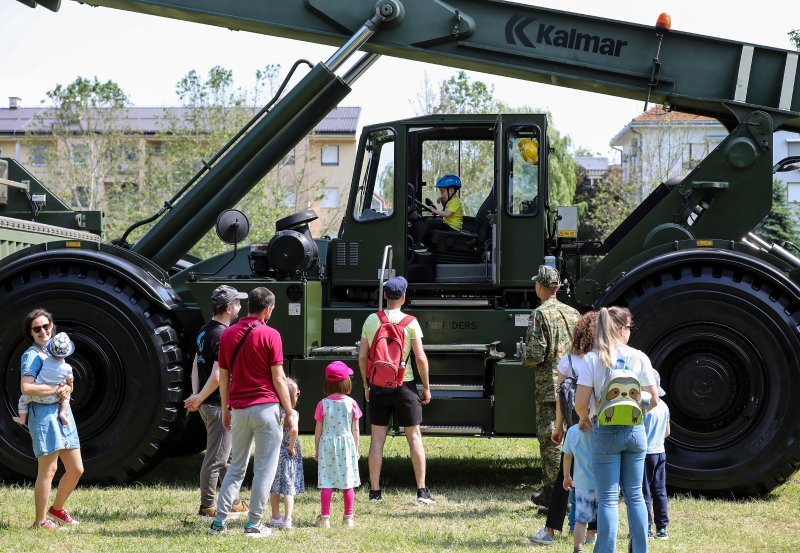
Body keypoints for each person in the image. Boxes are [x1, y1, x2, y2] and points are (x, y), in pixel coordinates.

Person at [208, 287, 295, 539]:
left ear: (249, 307)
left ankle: (219, 523)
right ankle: (254, 524)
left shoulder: (227, 335)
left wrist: (226, 409)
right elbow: (278, 378)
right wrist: (289, 411)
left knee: (235, 468)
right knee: (265, 469)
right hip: (266, 409)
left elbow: (223, 376)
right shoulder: (271, 334)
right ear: (268, 309)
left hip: (239, 409)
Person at [574, 306, 659, 553]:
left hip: (605, 430)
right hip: (635, 432)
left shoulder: (592, 359)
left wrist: (584, 418)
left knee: (608, 499)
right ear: (622, 329)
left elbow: (581, 403)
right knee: (635, 497)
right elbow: (654, 399)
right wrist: (636, 412)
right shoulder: (640, 357)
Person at [358, 275, 434, 504]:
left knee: (377, 439)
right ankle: (421, 491)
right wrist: (426, 387)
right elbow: (419, 357)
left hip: (379, 386)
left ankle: (374, 492)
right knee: (414, 438)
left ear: (384, 295)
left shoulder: (372, 319)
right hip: (405, 386)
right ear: (403, 297)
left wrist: (366, 384)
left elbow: (362, 357)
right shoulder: (411, 322)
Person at [531, 311, 597, 546]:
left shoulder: (567, 362)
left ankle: (550, 530)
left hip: (575, 429)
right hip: (599, 427)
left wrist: (558, 427)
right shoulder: (602, 360)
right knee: (598, 478)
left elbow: (561, 398)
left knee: (563, 478)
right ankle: (591, 533)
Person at [184, 285, 249, 518]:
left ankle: (233, 500)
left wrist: (195, 395)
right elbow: (218, 375)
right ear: (230, 308)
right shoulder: (223, 335)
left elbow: (195, 364)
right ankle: (207, 506)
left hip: (205, 402)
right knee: (215, 458)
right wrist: (200, 397)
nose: (241, 306)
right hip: (215, 404)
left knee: (227, 456)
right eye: (238, 303)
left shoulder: (204, 330)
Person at [19, 309, 83, 530]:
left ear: (52, 326)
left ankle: (57, 509)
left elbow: (68, 383)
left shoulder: (57, 352)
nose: (43, 331)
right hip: (44, 415)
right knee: (49, 469)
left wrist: (67, 388)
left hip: (63, 414)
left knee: (76, 469)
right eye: (37, 328)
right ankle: (40, 521)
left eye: (46, 326)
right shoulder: (32, 355)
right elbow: (26, 387)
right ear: (31, 332)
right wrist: (56, 390)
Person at [523, 265, 580, 505]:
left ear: (540, 287)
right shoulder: (574, 313)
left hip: (549, 386)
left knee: (551, 442)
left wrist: (524, 357)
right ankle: (572, 489)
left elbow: (536, 354)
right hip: (576, 384)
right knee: (574, 437)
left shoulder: (540, 314)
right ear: (557, 287)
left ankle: (554, 495)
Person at [314, 362, 362, 528]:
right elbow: (355, 429)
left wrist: (316, 449)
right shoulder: (352, 403)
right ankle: (348, 518)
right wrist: (356, 449)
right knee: (347, 482)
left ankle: (325, 518)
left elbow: (318, 430)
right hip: (346, 445)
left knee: (326, 482)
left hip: (327, 444)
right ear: (346, 382)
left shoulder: (322, 404)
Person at [14, 332, 75, 428]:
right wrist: (66, 385)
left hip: (38, 397)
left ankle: (22, 419)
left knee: (22, 400)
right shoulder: (68, 368)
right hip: (56, 397)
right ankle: (63, 413)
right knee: (67, 397)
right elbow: (70, 383)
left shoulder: (45, 361)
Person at [268, 376, 304, 530]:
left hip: (274, 453)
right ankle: (287, 519)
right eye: (297, 393)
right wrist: (290, 446)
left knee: (274, 487)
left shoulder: (274, 411)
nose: (298, 395)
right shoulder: (293, 414)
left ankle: (276, 517)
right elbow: (294, 429)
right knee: (289, 488)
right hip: (289, 455)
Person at [642, 371, 670, 540]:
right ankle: (662, 528)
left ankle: (646, 528)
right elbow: (667, 432)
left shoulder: (644, 405)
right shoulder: (664, 406)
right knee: (659, 490)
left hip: (644, 453)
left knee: (643, 491)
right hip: (660, 451)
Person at [562, 421, 597, 553]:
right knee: (604, 517)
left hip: (582, 483)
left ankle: (578, 548)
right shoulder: (603, 429)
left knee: (580, 520)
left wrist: (566, 476)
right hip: (603, 482)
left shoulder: (572, 431)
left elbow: (567, 456)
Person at [417, 173, 464, 248]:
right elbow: (445, 209)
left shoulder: (455, 202)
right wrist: (442, 201)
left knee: (430, 223)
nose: (441, 194)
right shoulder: (451, 201)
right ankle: (429, 245)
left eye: (442, 192)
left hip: (452, 227)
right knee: (431, 220)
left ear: (451, 191)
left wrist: (434, 211)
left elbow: (446, 214)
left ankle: (423, 245)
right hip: (449, 225)